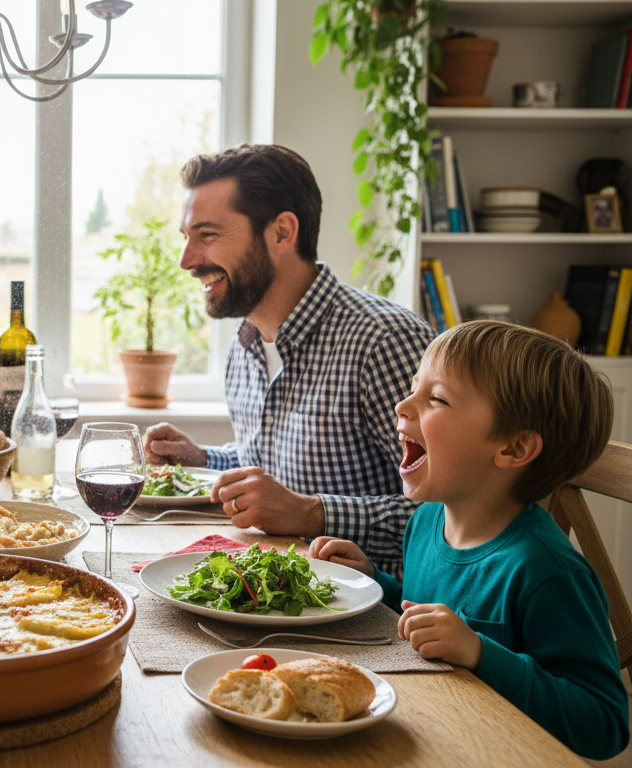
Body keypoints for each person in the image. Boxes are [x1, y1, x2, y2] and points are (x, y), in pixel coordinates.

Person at [309, 321, 629, 760]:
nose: (402, 405)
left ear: (514, 449)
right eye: (413, 388)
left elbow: (604, 725)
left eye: (436, 399)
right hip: (434, 736)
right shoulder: (426, 523)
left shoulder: (545, 572)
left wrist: (480, 653)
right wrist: (376, 583)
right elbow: (429, 612)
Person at [143, 144, 435, 577]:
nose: (187, 261)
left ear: (282, 233)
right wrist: (203, 461)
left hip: (385, 617)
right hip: (285, 594)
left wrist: (311, 514)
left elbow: (454, 516)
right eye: (186, 237)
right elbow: (274, 470)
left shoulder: (383, 341)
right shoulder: (244, 344)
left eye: (207, 235)